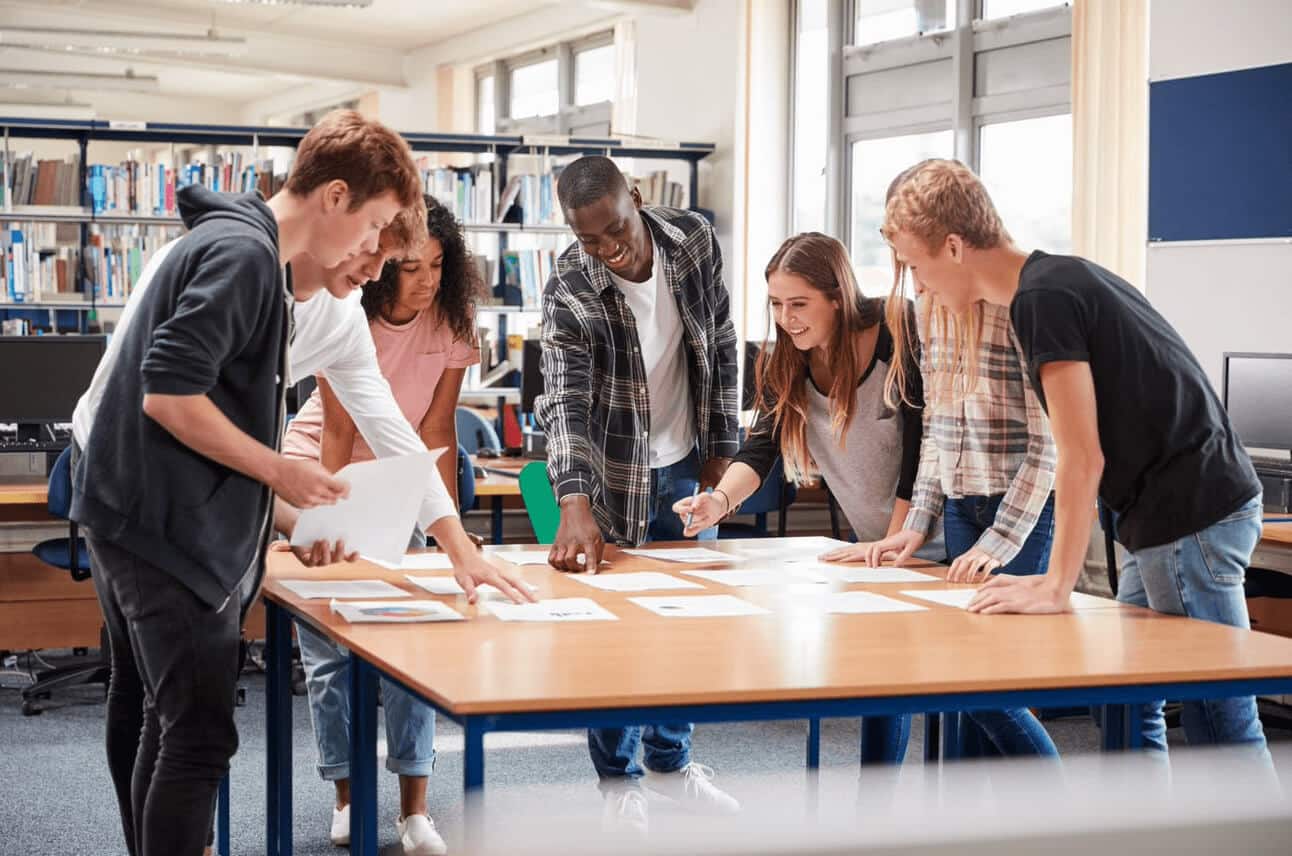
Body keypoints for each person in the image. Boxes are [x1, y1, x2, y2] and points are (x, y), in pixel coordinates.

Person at [68, 110, 414, 856]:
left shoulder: (242, 247)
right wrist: (281, 469)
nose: (369, 249)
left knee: (164, 720)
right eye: (372, 226)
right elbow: (169, 395)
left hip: (135, 511)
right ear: (333, 196)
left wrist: (284, 511)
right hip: (164, 530)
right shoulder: (244, 256)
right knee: (196, 736)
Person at [883, 158, 1268, 758]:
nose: (918, 286)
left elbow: (1079, 454)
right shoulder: (1056, 281)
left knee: (1219, 717)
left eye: (916, 266)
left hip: (1190, 516)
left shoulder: (1043, 302)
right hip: (1161, 517)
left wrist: (1057, 584)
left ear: (954, 247)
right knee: (1126, 705)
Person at [674, 231, 943, 766]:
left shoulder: (898, 329)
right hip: (880, 546)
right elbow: (760, 449)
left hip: (939, 534)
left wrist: (894, 541)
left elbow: (922, 447)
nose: (786, 318)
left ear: (838, 297)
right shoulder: (787, 361)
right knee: (885, 689)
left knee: (981, 703)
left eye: (799, 304)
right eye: (776, 304)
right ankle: (877, 816)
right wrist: (717, 502)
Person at [534, 155, 741, 833]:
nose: (608, 248)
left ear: (639, 199)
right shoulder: (570, 279)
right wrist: (572, 501)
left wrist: (723, 445)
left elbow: (722, 337)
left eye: (616, 229)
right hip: (613, 471)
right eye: (590, 237)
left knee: (684, 626)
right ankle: (620, 783)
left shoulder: (692, 241)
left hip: (684, 463)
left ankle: (671, 766)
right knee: (613, 639)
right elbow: (562, 397)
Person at [280, 196, 483, 855]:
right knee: (332, 657)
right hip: (321, 468)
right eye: (411, 268)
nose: (426, 281)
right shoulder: (347, 315)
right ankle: (345, 796)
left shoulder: (451, 319)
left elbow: (434, 429)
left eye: (437, 266)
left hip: (404, 477)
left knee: (412, 655)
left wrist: (448, 528)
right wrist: (335, 527)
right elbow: (339, 428)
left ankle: (414, 811)